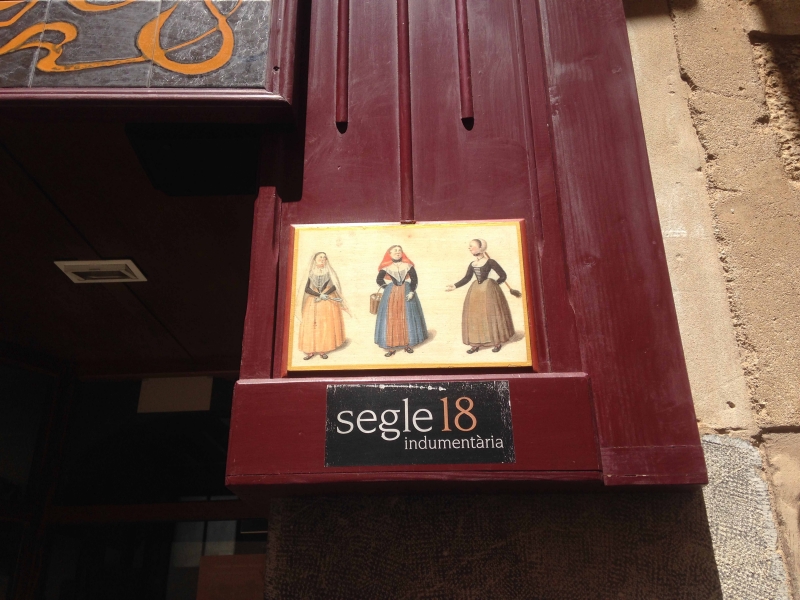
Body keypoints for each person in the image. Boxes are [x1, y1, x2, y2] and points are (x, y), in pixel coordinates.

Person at [445, 239, 514, 353]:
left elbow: (503, 275)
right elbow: (467, 278)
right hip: (476, 291)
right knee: (475, 316)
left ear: (481, 248)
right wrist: (455, 286)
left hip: (489, 292)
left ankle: (496, 342)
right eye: (469, 246)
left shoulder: (490, 262)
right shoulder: (472, 264)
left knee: (490, 315)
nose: (469, 248)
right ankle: (475, 344)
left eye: (472, 246)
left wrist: (494, 285)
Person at [374, 245, 428, 357]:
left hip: (406, 291)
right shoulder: (387, 267)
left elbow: (414, 280)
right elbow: (379, 279)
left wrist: (412, 292)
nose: (398, 252)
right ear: (390, 254)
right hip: (391, 294)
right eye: (395, 251)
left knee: (407, 317)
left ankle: (407, 344)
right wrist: (388, 288)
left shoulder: (408, 266)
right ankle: (391, 347)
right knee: (391, 318)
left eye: (399, 250)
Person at [298, 252, 348, 359]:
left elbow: (334, 286)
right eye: (320, 257)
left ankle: (323, 350)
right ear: (315, 259)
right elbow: (307, 289)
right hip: (313, 300)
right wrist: (319, 295)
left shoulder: (329, 272)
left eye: (324, 257)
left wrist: (325, 294)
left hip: (327, 301)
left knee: (325, 325)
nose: (322, 259)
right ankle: (310, 350)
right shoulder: (310, 272)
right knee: (312, 324)